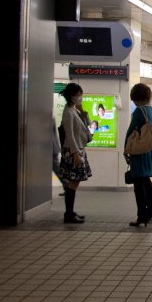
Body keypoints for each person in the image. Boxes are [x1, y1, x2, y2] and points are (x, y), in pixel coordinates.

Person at [124, 83, 152, 227]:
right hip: (148, 150)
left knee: (138, 184)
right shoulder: (151, 110)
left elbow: (131, 131)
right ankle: (151, 210)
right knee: (146, 181)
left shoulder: (139, 111)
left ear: (136, 98)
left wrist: (126, 149)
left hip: (138, 151)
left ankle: (141, 216)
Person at [58, 83, 91, 224]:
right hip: (73, 150)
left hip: (77, 149)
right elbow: (70, 135)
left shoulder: (74, 110)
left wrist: (81, 110)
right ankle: (69, 214)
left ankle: (70, 212)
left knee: (75, 181)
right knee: (73, 181)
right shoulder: (68, 113)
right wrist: (75, 154)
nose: (80, 97)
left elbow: (86, 124)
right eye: (78, 95)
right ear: (72, 97)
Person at [52, 117, 67, 196]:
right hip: (52, 147)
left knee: (57, 168)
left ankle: (67, 186)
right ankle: (67, 186)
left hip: (49, 148)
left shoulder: (47, 118)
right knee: (57, 168)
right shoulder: (52, 118)